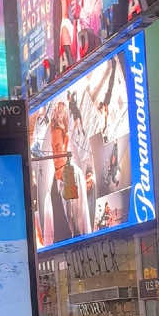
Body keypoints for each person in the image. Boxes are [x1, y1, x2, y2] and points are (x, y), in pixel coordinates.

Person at [42, 104, 92, 246]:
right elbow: (48, 241)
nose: (54, 155)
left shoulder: (72, 175)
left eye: (57, 147)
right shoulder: (50, 192)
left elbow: (84, 226)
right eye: (52, 148)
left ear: (66, 142)